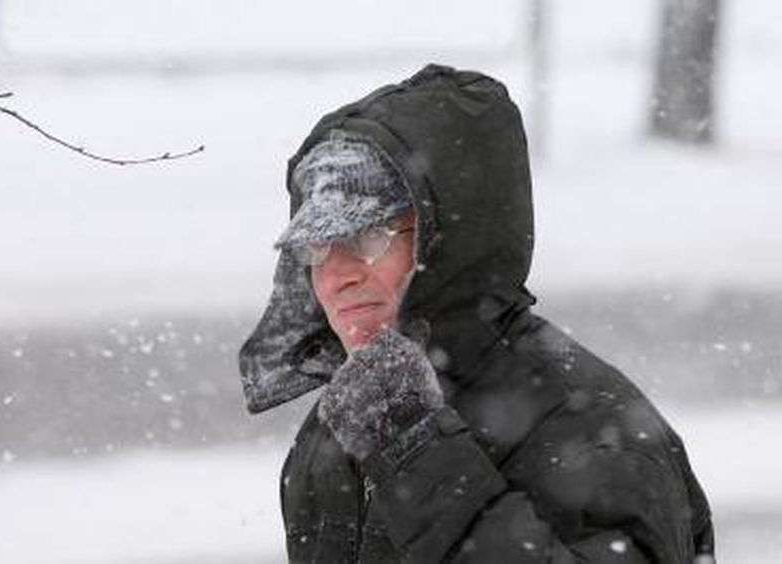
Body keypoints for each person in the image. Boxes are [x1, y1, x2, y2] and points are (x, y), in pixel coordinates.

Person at [239, 64, 714, 563]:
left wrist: (418, 454)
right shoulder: (345, 422)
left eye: (366, 237)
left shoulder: (595, 431)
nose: (336, 277)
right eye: (317, 248)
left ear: (451, 243)